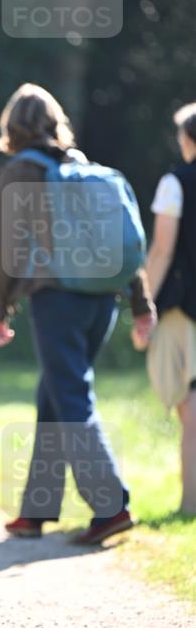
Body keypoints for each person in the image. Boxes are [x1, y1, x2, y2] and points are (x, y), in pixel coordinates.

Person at [0, 83, 156, 545]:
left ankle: (110, 505)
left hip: (57, 298)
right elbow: (123, 244)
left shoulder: (22, 170)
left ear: (11, 126)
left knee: (71, 395)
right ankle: (36, 511)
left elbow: (3, 244)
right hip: (102, 300)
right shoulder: (84, 168)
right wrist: (141, 304)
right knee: (54, 395)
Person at [132, 103, 196, 514]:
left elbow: (161, 250)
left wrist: (145, 306)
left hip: (183, 309)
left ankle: (190, 505)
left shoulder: (176, 183)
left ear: (187, 139)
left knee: (190, 409)